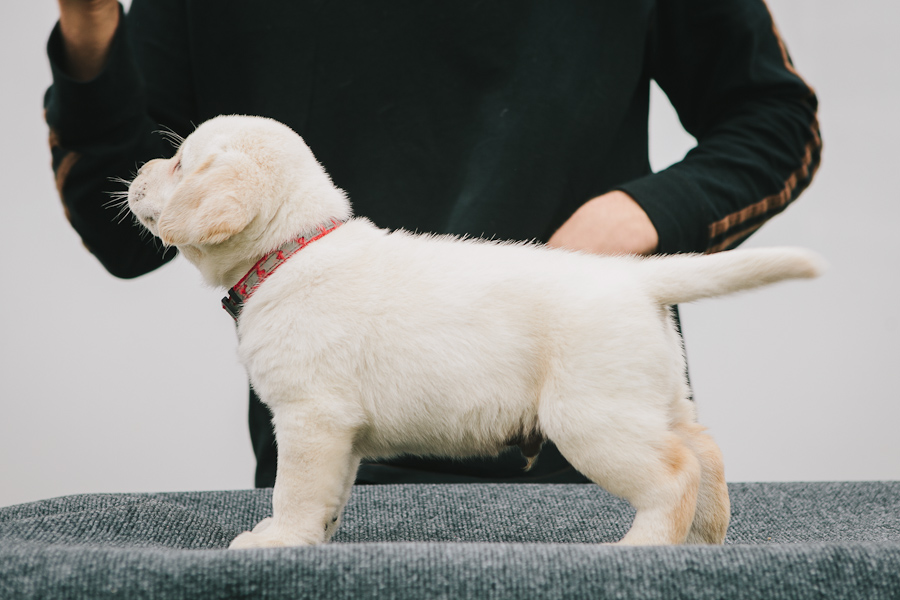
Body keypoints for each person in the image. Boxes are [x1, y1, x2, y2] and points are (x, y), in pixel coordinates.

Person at [45, 0, 821, 487]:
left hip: (574, 458)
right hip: (339, 476)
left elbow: (776, 121)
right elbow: (126, 229)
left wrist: (636, 218)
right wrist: (88, 22)